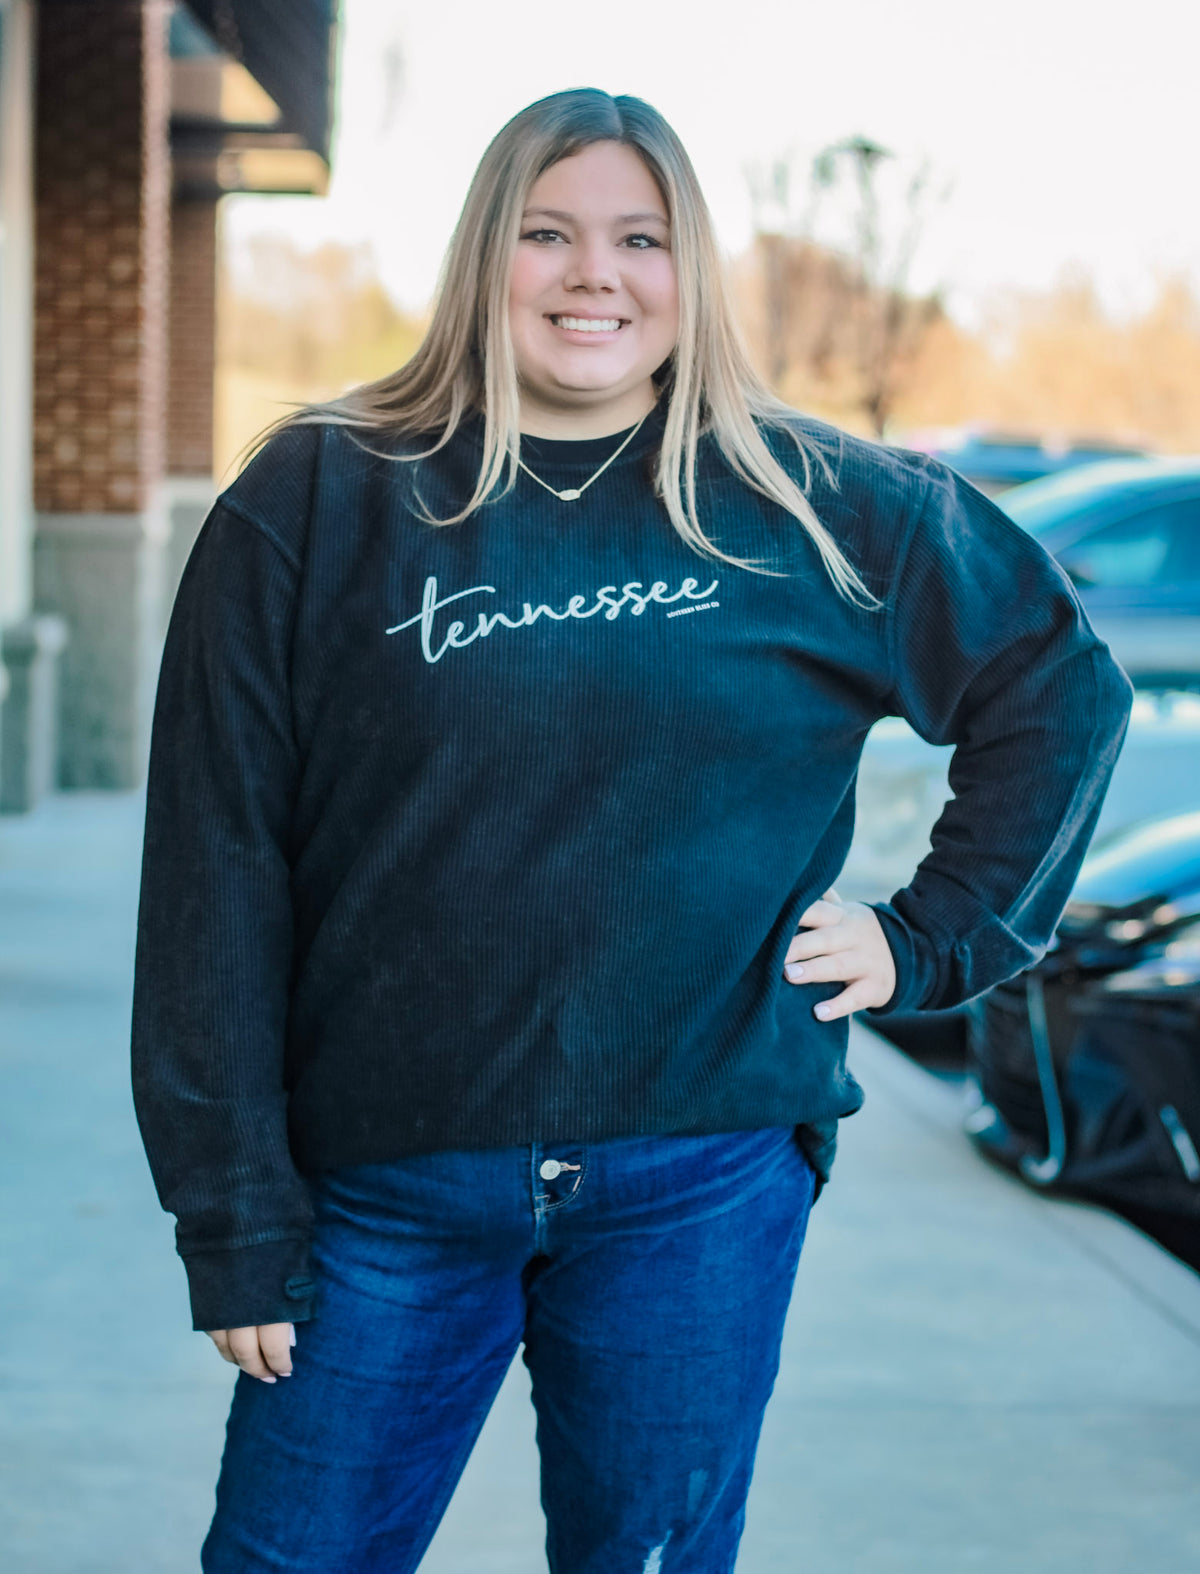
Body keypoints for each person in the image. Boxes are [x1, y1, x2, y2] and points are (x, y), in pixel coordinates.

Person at [131, 88, 1132, 1573]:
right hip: (383, 1192)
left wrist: (932, 937)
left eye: (639, 239)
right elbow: (214, 871)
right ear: (486, 255)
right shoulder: (321, 497)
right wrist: (231, 1214)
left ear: (689, 268)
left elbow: (1058, 687)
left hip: (698, 1182)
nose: (593, 273)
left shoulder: (816, 506)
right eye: (547, 233)